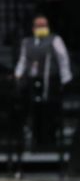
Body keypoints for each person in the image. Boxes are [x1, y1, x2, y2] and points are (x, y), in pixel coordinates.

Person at [14, 15, 73, 148]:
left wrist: (65, 78)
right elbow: (23, 60)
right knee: (34, 110)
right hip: (32, 81)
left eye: (43, 25)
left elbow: (63, 59)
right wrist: (18, 75)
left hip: (50, 81)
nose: (41, 28)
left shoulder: (55, 40)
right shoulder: (27, 42)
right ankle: (36, 140)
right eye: (38, 25)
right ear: (33, 27)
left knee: (50, 110)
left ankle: (50, 140)